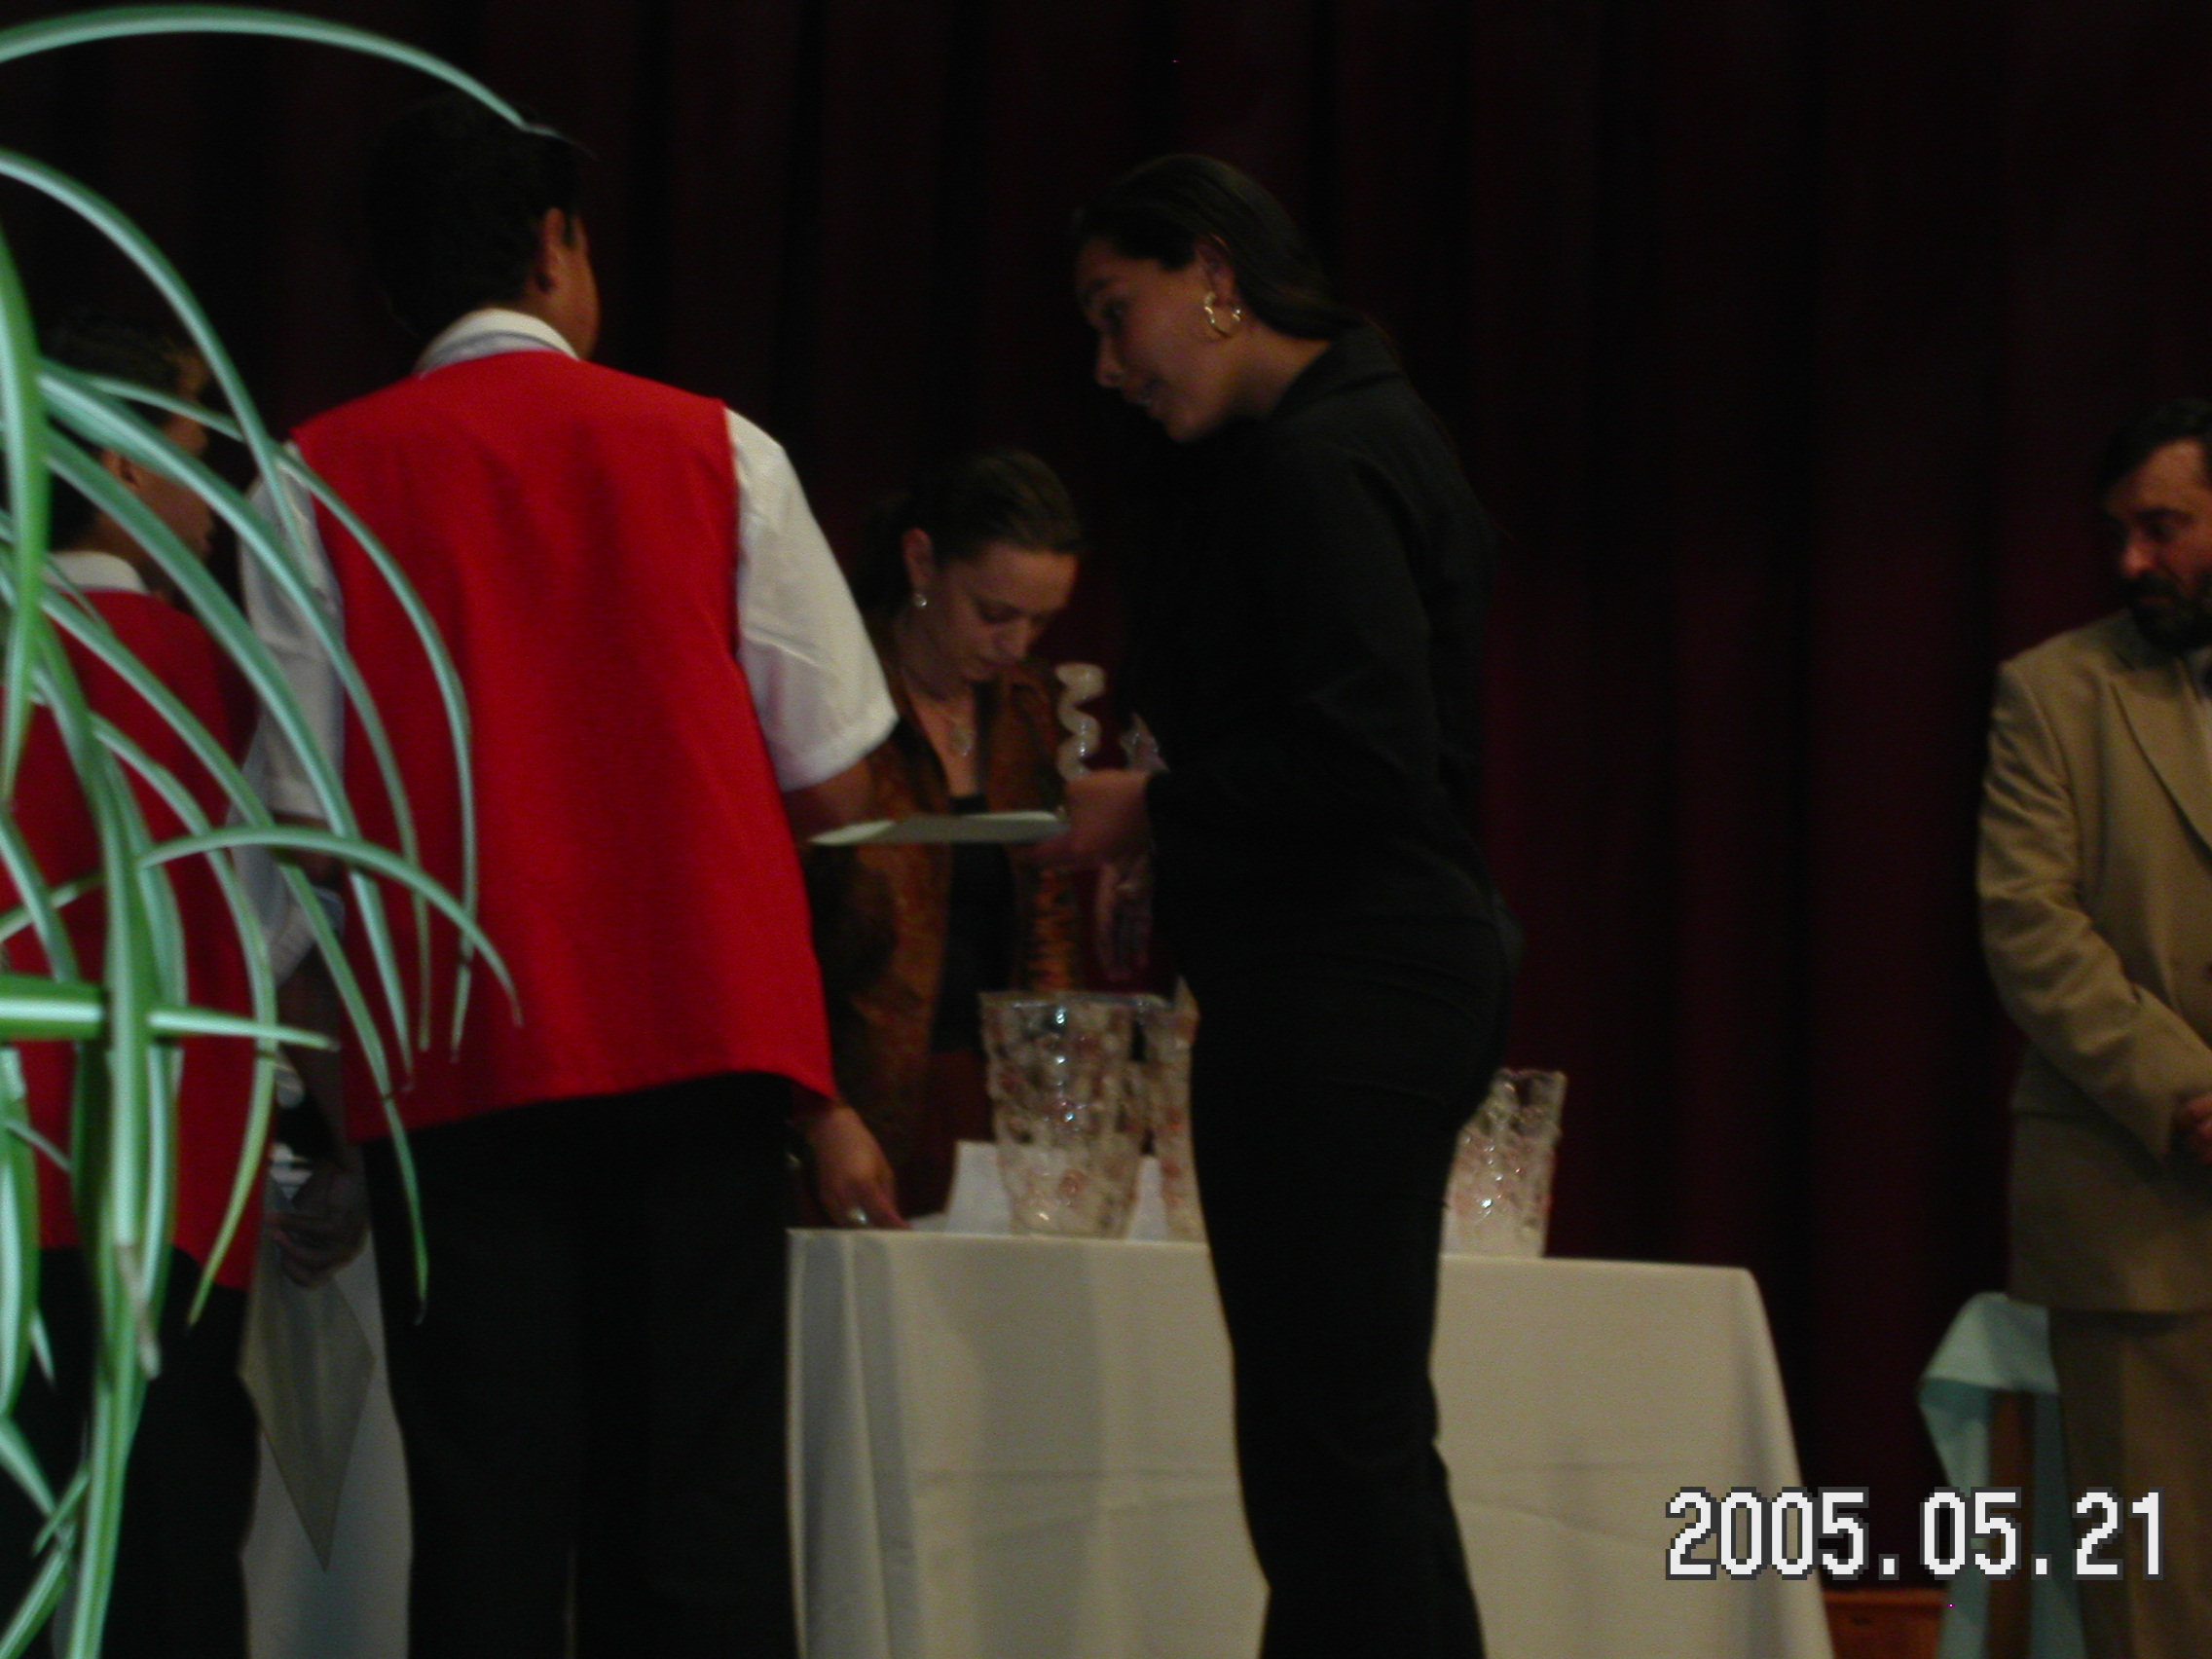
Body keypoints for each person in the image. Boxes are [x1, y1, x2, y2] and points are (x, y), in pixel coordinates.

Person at [246, 94, 897, 1657]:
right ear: (555, 247)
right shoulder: (719, 451)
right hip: (697, 1037)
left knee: (486, 1520)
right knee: (701, 1515)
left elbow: (295, 835)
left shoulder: (312, 480)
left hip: (457, 1062)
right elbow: (839, 777)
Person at [1044, 155, 1518, 1658]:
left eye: (1117, 312)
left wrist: (1153, 810)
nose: (1108, 365)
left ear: (1214, 271)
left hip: (1346, 979)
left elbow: (1368, 749)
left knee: (1331, 1453)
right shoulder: (1354, 435)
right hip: (1371, 972)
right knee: (1348, 1444)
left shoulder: (1324, 459)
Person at [0, 315, 261, 1656]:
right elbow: (273, 930)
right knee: (166, 1553)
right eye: (196, 448)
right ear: (116, 461)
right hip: (170, 1188)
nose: (221, 492)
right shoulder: (212, 672)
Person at [1979, 397, 2212, 1657]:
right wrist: (2187, 1089)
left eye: (2162, 526)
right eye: (2119, 530)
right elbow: (2030, 927)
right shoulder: (2052, 692)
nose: (2131, 559)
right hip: (2138, 1211)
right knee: (2151, 1611)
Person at [806, 449, 1088, 1219]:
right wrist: (819, 1109)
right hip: (853, 1103)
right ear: (922, 561)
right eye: (994, 614)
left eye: (1040, 621)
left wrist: (1057, 1090)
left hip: (993, 1100)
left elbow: (1048, 922)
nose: (1016, 645)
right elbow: (770, 930)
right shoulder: (833, 697)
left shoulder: (1027, 708)